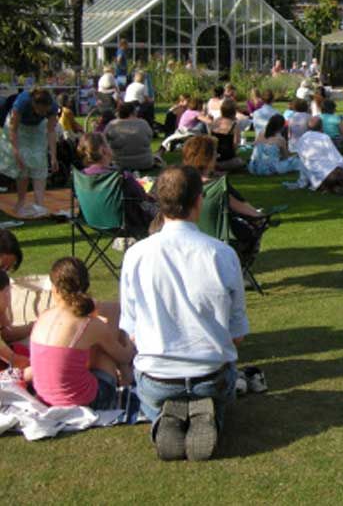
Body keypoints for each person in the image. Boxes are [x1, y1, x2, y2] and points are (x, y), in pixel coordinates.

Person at [120, 165, 248, 461]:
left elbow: (132, 330)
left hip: (157, 376)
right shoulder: (222, 254)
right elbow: (237, 335)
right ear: (199, 200)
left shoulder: (136, 255)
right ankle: (207, 415)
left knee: (157, 398)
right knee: (220, 388)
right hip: (210, 373)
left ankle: (164, 418)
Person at [26, 257, 135, 409]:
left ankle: (125, 376)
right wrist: (129, 340)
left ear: (55, 288)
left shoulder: (44, 316)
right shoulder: (88, 324)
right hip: (82, 401)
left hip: (46, 397)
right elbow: (124, 356)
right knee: (105, 350)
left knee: (93, 346)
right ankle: (126, 378)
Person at [78, 133, 156, 233]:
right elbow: (141, 196)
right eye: (108, 144)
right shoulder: (121, 177)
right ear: (103, 150)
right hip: (127, 222)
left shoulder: (82, 176)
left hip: (94, 220)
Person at [0, 88, 59, 217]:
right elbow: (13, 129)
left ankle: (39, 204)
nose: (43, 113)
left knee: (40, 162)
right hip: (18, 128)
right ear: (33, 104)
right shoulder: (22, 102)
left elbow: (50, 131)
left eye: (45, 111)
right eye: (40, 110)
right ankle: (21, 202)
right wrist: (16, 152)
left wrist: (53, 156)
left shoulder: (53, 107)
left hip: (37, 128)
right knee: (23, 164)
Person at [104, 102, 154, 171]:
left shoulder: (112, 125)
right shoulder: (143, 123)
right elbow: (150, 138)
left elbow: (104, 141)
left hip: (120, 164)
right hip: (145, 163)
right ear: (133, 112)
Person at [208, 98, 244, 172]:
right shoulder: (234, 125)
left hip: (214, 157)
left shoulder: (215, 122)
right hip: (227, 157)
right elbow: (235, 144)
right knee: (240, 162)